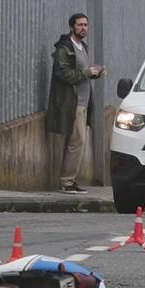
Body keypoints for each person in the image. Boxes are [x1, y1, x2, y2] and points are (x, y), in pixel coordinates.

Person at [46, 13, 104, 193]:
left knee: (77, 141)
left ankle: (70, 180)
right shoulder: (65, 48)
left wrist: (95, 73)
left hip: (84, 102)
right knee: (77, 141)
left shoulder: (83, 47)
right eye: (80, 25)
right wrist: (87, 73)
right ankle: (67, 181)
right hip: (72, 102)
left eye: (86, 25)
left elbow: (81, 73)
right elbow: (62, 73)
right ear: (72, 27)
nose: (83, 28)